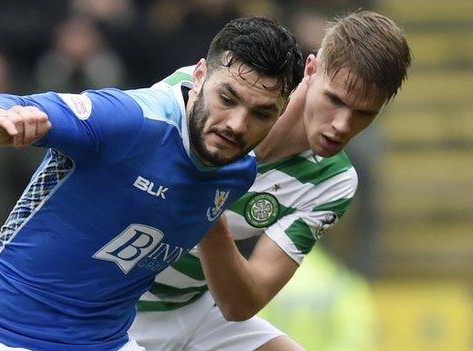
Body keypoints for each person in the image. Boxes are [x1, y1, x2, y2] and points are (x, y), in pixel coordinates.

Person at [0, 17, 304, 351]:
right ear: (198, 76)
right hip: (5, 337)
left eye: (261, 113)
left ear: (283, 110)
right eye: (227, 99)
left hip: (108, 342)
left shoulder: (237, 173)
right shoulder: (130, 120)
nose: (237, 125)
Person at [129, 10, 411, 351]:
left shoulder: (334, 180)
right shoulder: (206, 93)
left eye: (364, 113)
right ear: (310, 70)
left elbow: (241, 305)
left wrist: (210, 210)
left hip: (194, 309)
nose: (342, 124)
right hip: (117, 302)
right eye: (335, 100)